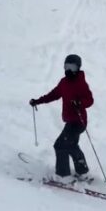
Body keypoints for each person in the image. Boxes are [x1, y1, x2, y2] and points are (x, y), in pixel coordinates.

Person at [29, 54, 94, 182]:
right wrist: (38, 101)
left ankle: (63, 175)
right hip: (70, 121)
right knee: (71, 145)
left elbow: (90, 100)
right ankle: (83, 172)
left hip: (78, 122)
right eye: (66, 66)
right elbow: (53, 95)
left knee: (60, 145)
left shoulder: (81, 83)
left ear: (78, 68)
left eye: (72, 67)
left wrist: (80, 102)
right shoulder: (64, 83)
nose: (69, 70)